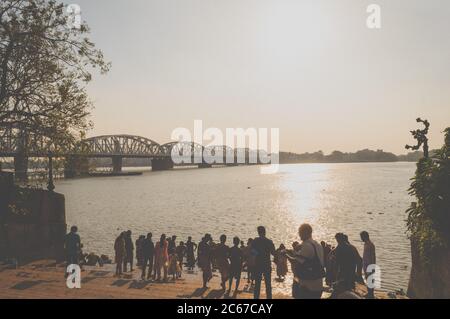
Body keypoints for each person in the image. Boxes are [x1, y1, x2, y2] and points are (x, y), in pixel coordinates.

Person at [287, 224, 325, 299]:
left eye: (300, 232)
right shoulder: (317, 245)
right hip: (318, 284)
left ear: (306, 232)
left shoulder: (306, 246)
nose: (299, 234)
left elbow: (296, 262)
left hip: (308, 285)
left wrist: (286, 255)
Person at [252, 226, 275, 299]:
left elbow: (253, 253)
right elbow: (273, 253)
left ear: (258, 232)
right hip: (267, 264)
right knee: (268, 285)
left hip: (258, 265)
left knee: (257, 285)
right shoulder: (269, 241)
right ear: (265, 232)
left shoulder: (255, 241)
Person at [360, 231, 376, 299]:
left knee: (370, 280)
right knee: (367, 279)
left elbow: (373, 256)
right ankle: (369, 293)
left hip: (370, 265)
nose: (361, 238)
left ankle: (371, 294)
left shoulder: (370, 244)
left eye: (362, 237)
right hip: (366, 265)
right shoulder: (366, 244)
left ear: (365, 236)